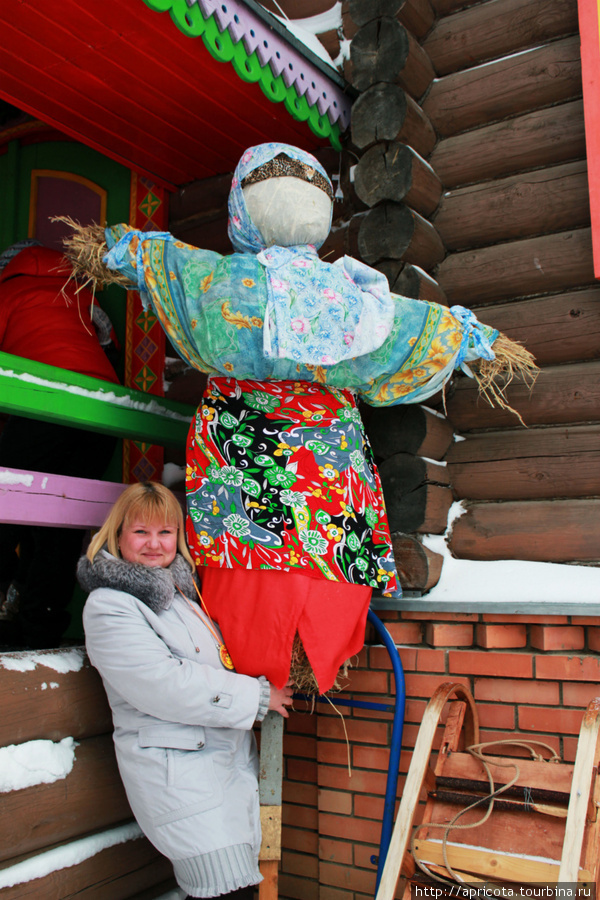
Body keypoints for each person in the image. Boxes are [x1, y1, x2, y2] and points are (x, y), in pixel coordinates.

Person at [77, 481, 293, 900]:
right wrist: (257, 697)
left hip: (223, 772)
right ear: (118, 536)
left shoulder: (182, 596)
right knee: (222, 891)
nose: (155, 545)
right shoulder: (110, 604)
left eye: (166, 532)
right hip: (181, 777)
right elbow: (162, 683)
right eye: (141, 532)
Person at [0, 239, 120, 649]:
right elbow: (107, 345)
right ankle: (39, 632)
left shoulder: (7, 290)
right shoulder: (78, 291)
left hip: (44, 404)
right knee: (58, 526)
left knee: (4, 510)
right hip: (103, 413)